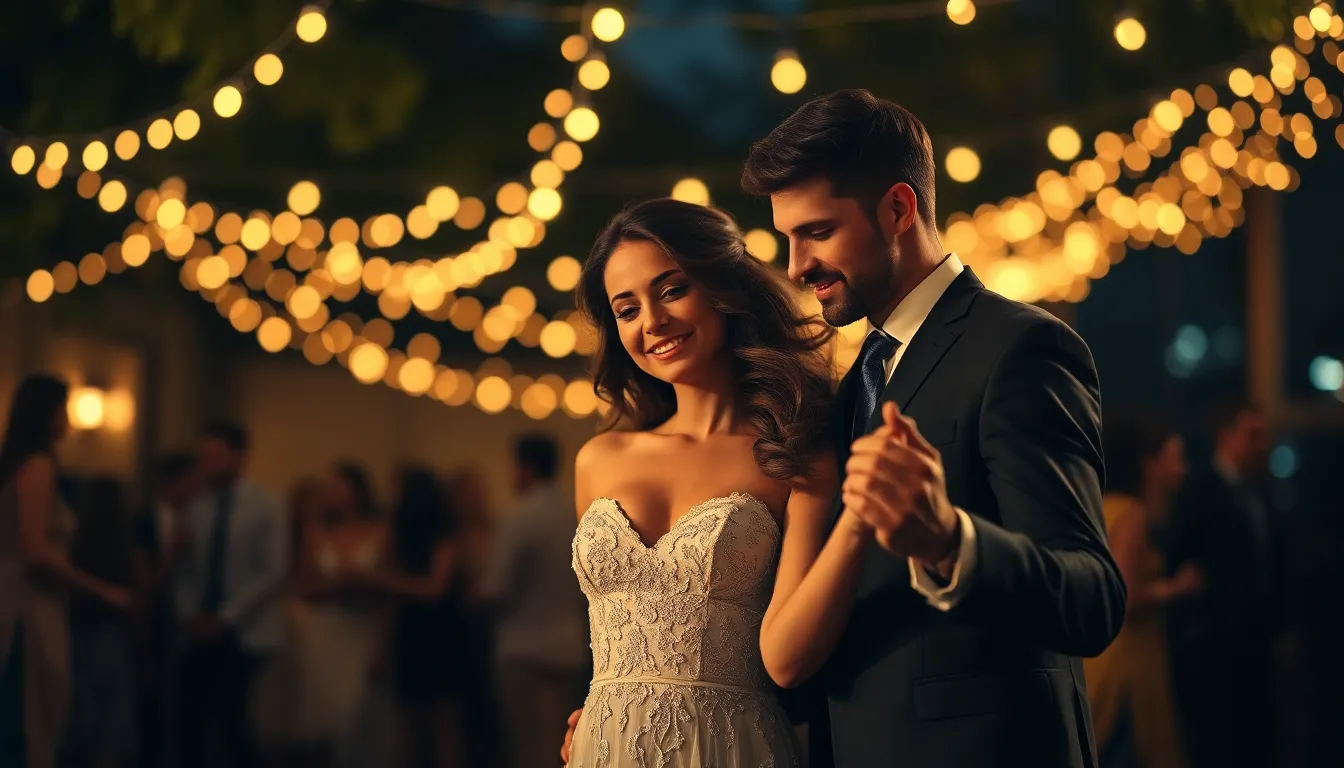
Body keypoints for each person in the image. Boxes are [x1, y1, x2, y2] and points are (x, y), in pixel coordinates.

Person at [563, 89, 1124, 768]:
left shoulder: (1019, 347)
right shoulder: (843, 388)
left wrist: (952, 542)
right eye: (788, 238)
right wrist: (634, 712)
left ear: (897, 208)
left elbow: (1091, 595)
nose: (796, 266)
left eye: (817, 232)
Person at [565, 197, 857, 767]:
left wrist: (861, 522)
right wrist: (594, 712)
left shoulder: (793, 451)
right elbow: (609, 643)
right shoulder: (598, 460)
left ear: (723, 288)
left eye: (672, 290)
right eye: (627, 310)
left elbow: (791, 658)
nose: (652, 321)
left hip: (731, 747)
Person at [0, 375, 132, 768]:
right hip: (27, 607)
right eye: (63, 409)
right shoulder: (38, 465)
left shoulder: (17, 463)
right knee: (26, 719)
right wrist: (101, 590)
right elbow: (35, 551)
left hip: (24, 600)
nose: (68, 419)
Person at [1164, 401, 1277, 768]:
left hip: (1257, 645)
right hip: (1215, 652)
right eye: (1254, 436)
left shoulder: (1261, 490)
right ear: (1225, 437)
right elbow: (1178, 558)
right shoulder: (1200, 490)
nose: (1264, 445)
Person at [1084, 413, 1200, 768]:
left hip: (1100, 655)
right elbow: (1125, 597)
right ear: (1147, 463)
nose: (1183, 469)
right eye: (1175, 457)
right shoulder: (1132, 513)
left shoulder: (1099, 507)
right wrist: (1178, 587)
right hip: (1128, 664)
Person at [174, 423, 287, 768]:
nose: (208, 466)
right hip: (198, 631)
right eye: (204, 458)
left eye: (216, 457)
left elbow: (273, 570)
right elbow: (186, 566)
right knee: (189, 720)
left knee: (234, 721)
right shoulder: (196, 506)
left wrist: (225, 617)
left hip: (246, 631)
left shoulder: (267, 505)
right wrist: (191, 613)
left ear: (239, 458)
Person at [484, 435, 589, 768]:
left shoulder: (521, 515)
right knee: (563, 747)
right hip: (569, 645)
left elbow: (497, 587)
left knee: (529, 748)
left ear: (524, 467)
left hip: (525, 649)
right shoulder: (575, 512)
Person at [354, 468, 465, 768]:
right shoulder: (414, 534)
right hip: (428, 634)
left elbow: (434, 587)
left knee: (432, 728)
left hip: (432, 635)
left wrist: (381, 580)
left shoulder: (437, 534)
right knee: (424, 729)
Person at [64, 477, 141, 768]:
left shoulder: (77, 541)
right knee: (111, 716)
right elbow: (135, 595)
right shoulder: (124, 541)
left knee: (83, 713)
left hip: (78, 630)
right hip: (111, 634)